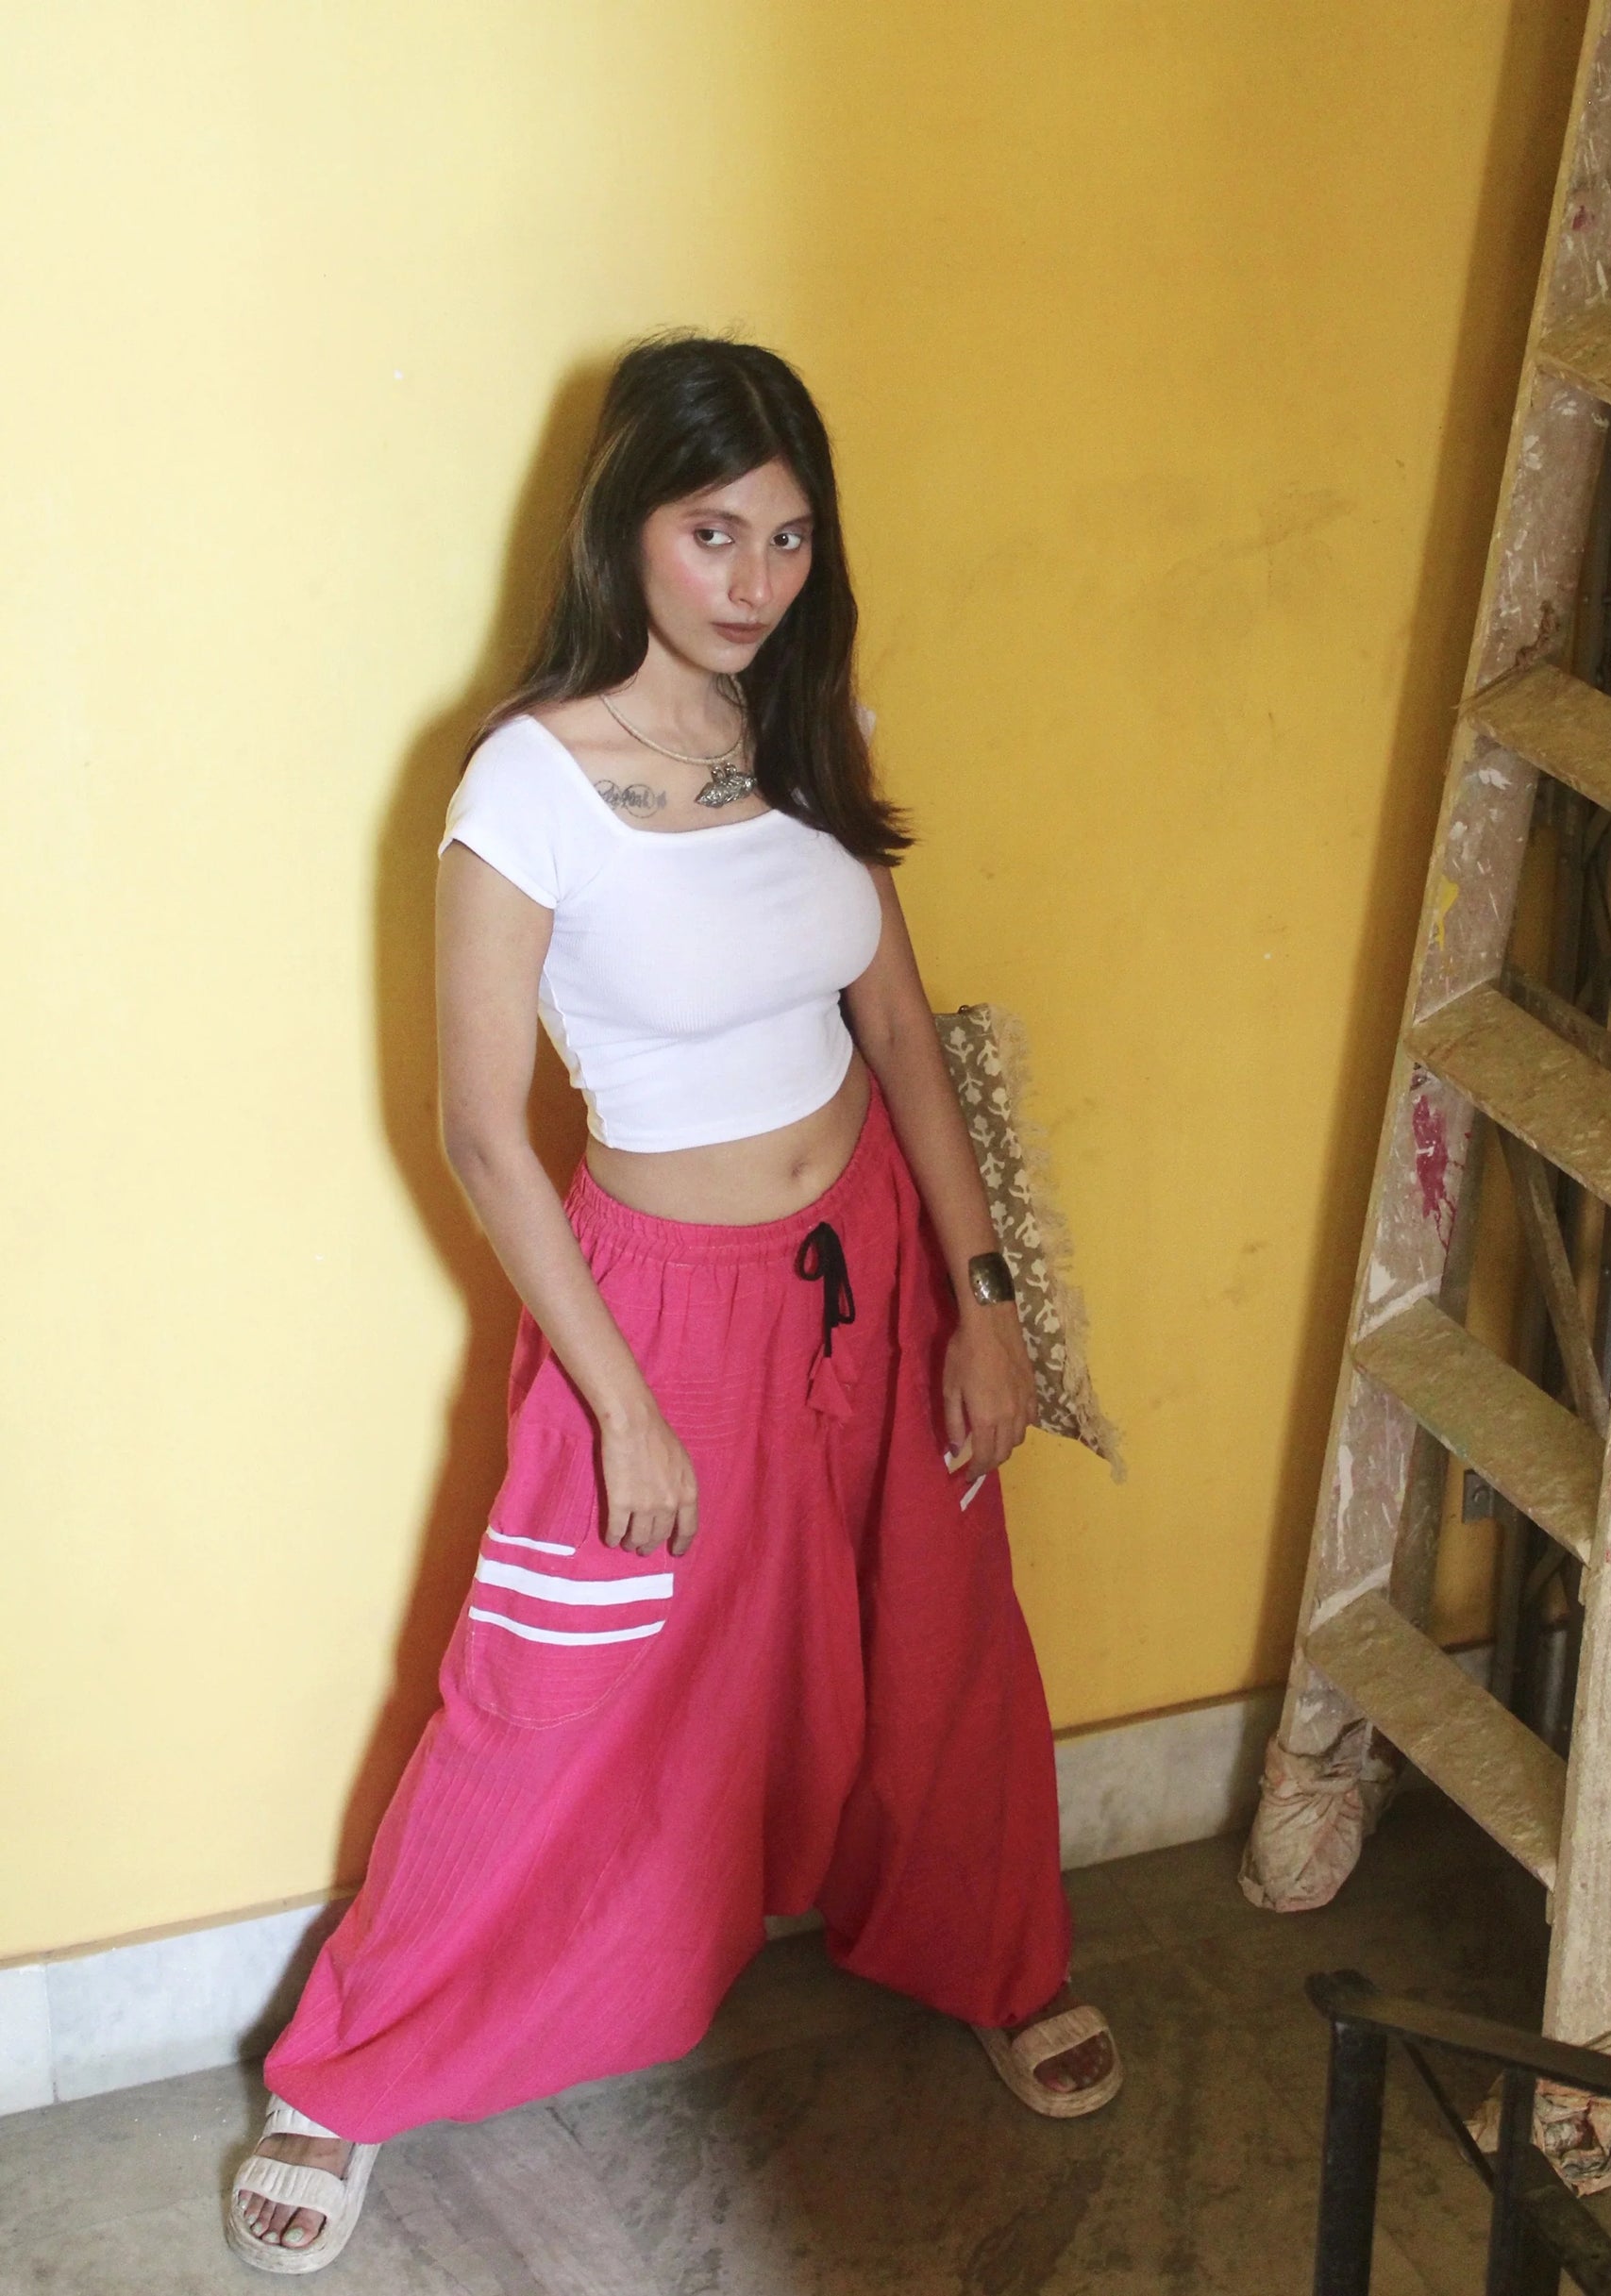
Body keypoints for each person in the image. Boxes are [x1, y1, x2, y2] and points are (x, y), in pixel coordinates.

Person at [227, 334, 1120, 2274]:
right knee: (554, 1693)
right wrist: (619, 1397)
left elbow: (893, 1017)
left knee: (944, 1623)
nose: (753, 577)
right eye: (713, 530)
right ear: (625, 528)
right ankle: (351, 2065)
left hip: (872, 1265)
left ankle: (990, 1949)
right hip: (661, 1303)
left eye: (788, 535)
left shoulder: (811, 727)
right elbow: (481, 1128)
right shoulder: (528, 782)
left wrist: (979, 1298)